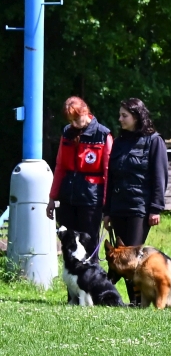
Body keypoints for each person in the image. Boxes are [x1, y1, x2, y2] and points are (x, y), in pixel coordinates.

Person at [50, 96, 111, 260]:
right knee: (68, 243)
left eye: (76, 119)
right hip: (68, 198)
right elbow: (60, 166)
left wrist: (107, 205)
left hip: (91, 200)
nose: (74, 124)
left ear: (86, 112)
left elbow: (108, 172)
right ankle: (71, 284)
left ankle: (91, 281)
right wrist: (52, 197)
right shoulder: (67, 133)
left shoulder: (103, 135)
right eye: (70, 121)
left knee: (89, 244)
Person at [105, 98, 167, 249]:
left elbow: (160, 176)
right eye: (120, 115)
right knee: (117, 257)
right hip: (118, 207)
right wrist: (107, 211)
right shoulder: (118, 142)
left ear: (137, 116)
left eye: (124, 115)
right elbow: (112, 178)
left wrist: (155, 208)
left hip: (139, 208)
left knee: (132, 256)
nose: (120, 119)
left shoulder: (154, 141)